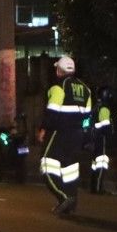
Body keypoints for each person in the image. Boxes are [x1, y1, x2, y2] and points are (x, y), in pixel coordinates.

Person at [38, 55, 92, 215]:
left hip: (59, 132)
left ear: (60, 70)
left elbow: (51, 113)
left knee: (46, 166)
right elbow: (87, 119)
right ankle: (71, 203)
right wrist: (85, 136)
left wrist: (43, 129)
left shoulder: (58, 87)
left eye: (56, 69)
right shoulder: (86, 90)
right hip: (77, 136)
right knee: (70, 171)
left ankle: (63, 198)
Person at [89, 87, 115, 194]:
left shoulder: (95, 107)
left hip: (95, 138)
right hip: (102, 138)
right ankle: (98, 188)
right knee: (102, 162)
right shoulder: (104, 108)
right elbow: (105, 125)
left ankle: (94, 186)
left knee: (95, 164)